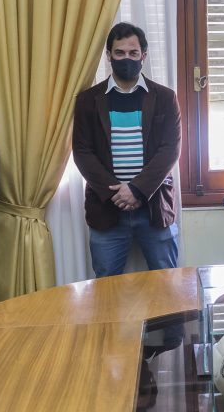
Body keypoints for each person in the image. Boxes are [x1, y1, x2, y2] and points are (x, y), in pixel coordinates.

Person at [72, 22, 182, 277]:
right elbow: (82, 151)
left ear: (144, 55)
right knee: (106, 291)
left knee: (167, 285)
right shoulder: (88, 100)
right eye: (119, 53)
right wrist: (118, 194)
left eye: (133, 53)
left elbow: (170, 149)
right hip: (106, 209)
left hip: (155, 207)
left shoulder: (165, 97)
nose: (126, 59)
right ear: (108, 55)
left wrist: (136, 190)